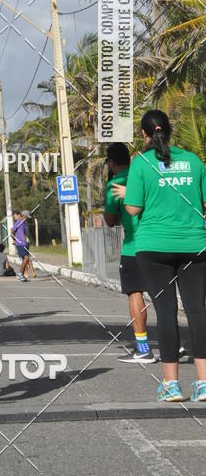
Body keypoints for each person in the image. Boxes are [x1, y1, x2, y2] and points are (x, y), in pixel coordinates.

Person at [123, 110, 206, 402]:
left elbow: (133, 207)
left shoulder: (141, 163)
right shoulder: (193, 161)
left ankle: (172, 385)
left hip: (154, 247)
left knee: (166, 313)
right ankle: (204, 382)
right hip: (194, 245)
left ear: (144, 134)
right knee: (197, 311)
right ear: (170, 130)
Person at [104, 143, 155, 364]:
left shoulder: (115, 183)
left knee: (135, 293)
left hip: (134, 245)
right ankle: (176, 343)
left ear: (111, 163)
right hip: (160, 241)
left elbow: (109, 220)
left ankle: (143, 348)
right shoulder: (144, 176)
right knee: (163, 295)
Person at [11, 211, 33, 281]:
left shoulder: (23, 223)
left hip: (24, 243)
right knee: (26, 258)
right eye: (26, 217)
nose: (27, 219)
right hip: (20, 244)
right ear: (23, 216)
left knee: (25, 259)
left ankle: (21, 276)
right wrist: (15, 239)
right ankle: (20, 274)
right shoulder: (19, 222)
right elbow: (12, 231)